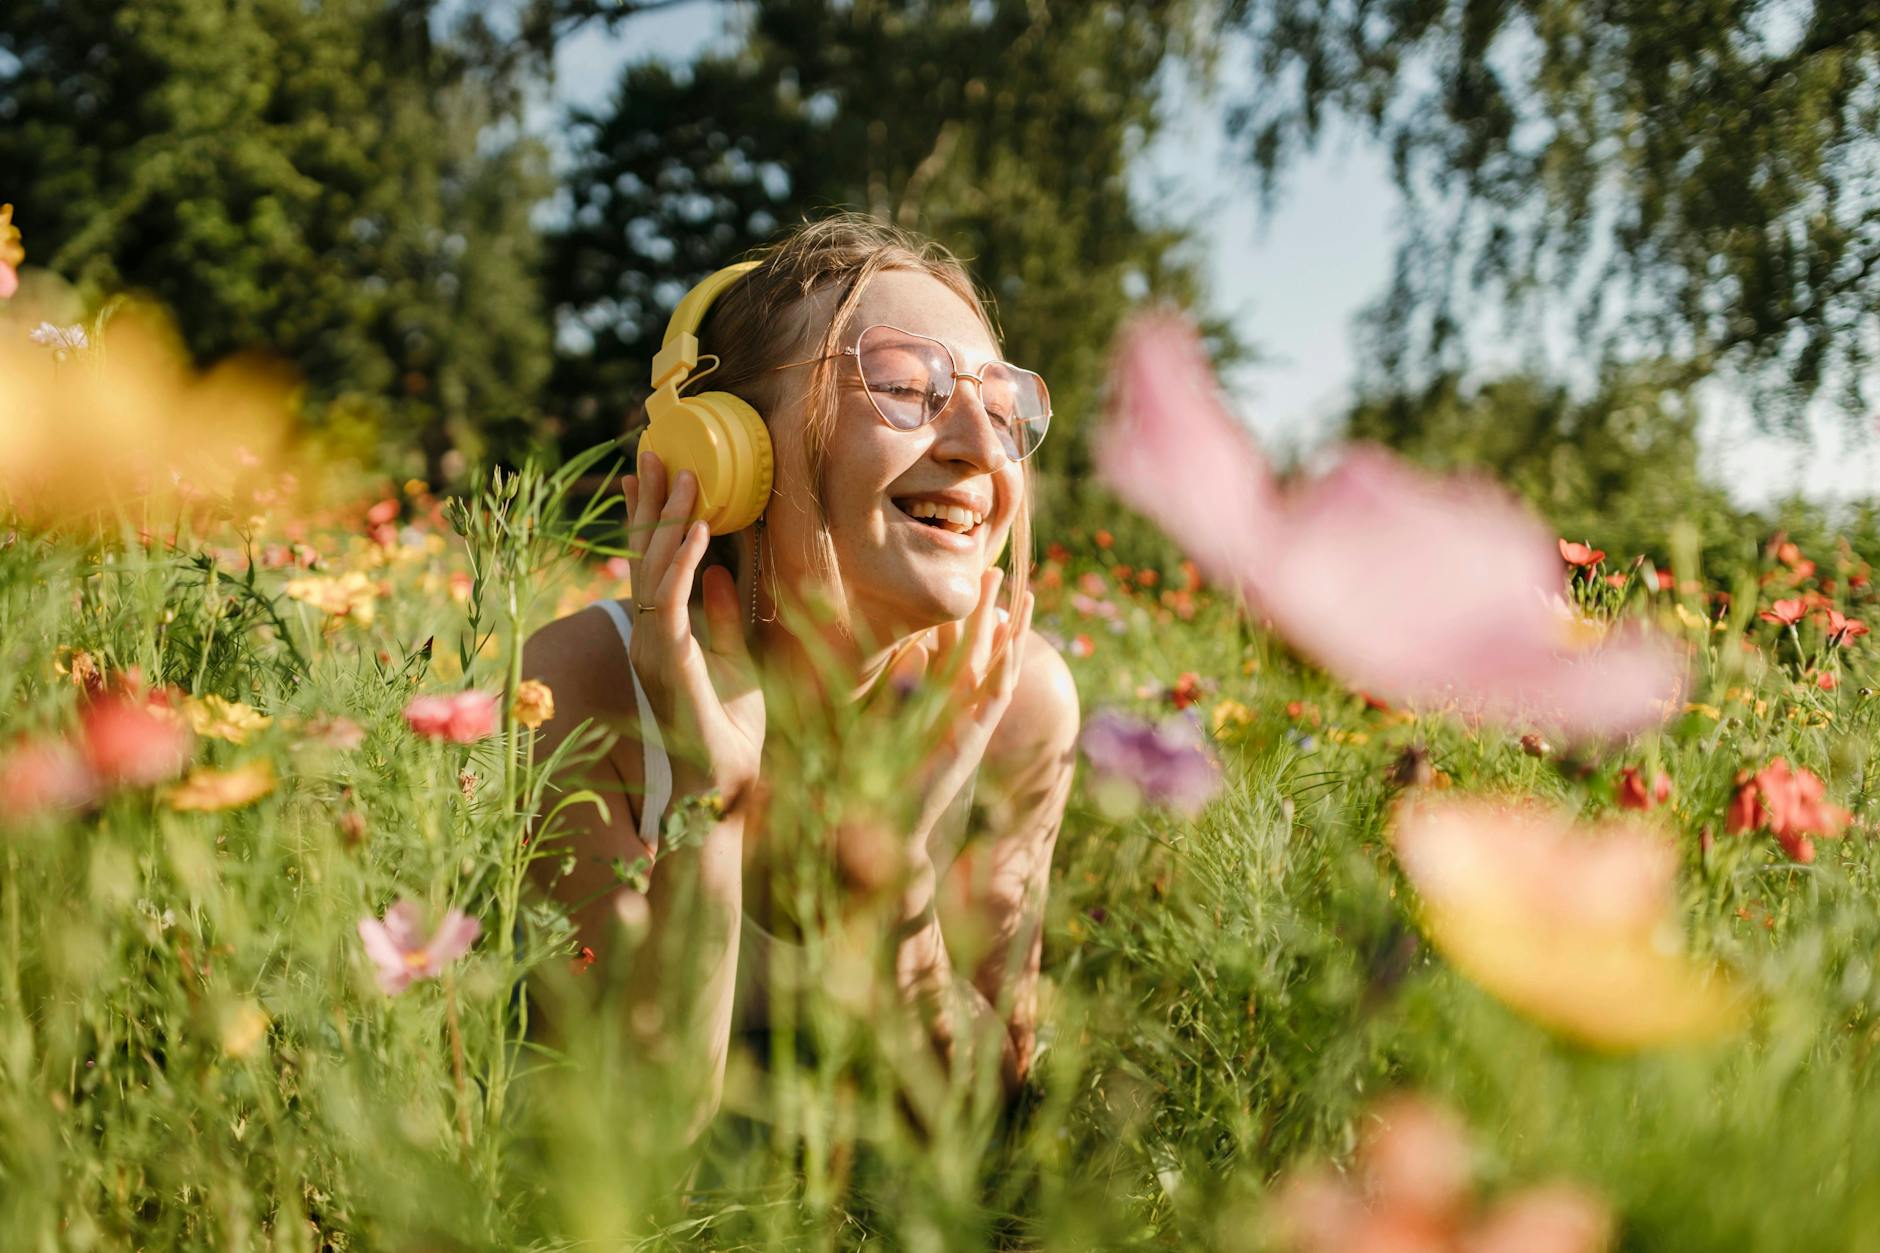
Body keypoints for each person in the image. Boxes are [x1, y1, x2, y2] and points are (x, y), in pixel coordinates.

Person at [521, 213, 1080, 1137]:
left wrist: (897, 868)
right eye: (906, 386)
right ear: (726, 452)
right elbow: (632, 1150)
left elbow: (985, 1121)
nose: (983, 446)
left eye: (1004, 404)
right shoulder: (578, 693)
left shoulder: (1018, 705)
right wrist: (712, 797)